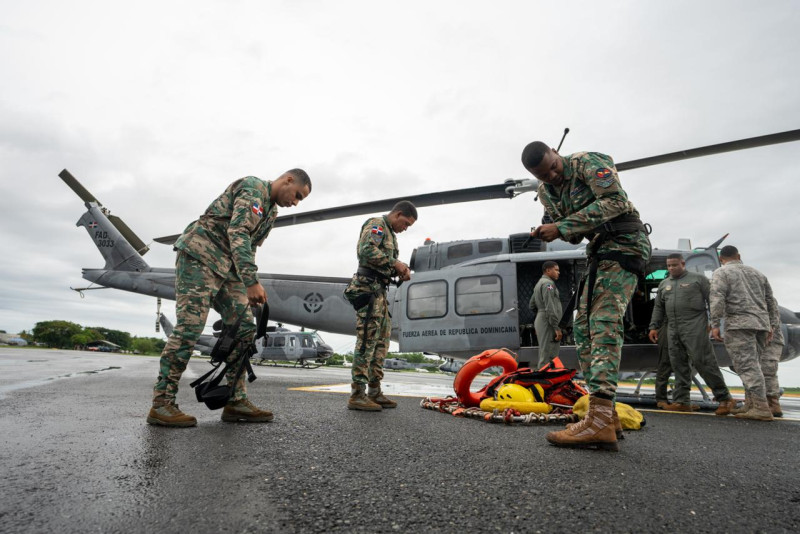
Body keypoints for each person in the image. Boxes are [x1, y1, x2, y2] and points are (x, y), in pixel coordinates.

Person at [147, 170, 312, 427]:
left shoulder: (271, 212)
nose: (296, 202)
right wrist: (251, 281)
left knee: (245, 328)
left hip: (228, 267)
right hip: (200, 255)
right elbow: (239, 233)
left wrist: (247, 283)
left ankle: (235, 401)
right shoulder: (253, 188)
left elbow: (251, 246)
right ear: (288, 180)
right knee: (190, 328)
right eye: (298, 195)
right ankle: (162, 404)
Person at [521, 141, 651, 451]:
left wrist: (563, 225)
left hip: (624, 244)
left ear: (556, 151)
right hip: (598, 250)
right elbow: (577, 235)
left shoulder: (588, 162)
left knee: (604, 322)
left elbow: (616, 202)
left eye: (554, 166)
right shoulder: (546, 192)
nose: (552, 175)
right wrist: (549, 229)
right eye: (544, 175)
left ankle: (601, 419)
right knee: (583, 329)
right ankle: (604, 416)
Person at [344, 201, 416, 411]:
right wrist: (395, 263)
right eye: (406, 223)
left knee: (381, 342)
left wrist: (399, 269)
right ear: (398, 214)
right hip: (368, 290)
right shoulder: (377, 225)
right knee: (367, 339)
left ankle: (374, 391)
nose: (405, 228)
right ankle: (357, 394)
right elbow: (365, 251)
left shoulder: (391, 234)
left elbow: (384, 261)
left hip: (380, 292)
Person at [648, 253, 736, 415]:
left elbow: (712, 301)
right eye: (669, 266)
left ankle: (724, 398)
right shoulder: (664, 284)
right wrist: (654, 326)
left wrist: (714, 323)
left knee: (703, 361)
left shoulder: (698, 279)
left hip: (694, 324)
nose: (671, 268)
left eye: (675, 265)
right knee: (678, 363)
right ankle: (682, 401)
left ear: (683, 264)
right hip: (673, 327)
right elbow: (658, 307)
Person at [709, 245, 779, 421]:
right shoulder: (757, 273)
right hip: (761, 324)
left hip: (739, 325)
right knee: (754, 364)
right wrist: (772, 326)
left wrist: (715, 324)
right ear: (738, 256)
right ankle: (751, 405)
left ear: (720, 258)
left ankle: (762, 408)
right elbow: (771, 301)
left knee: (747, 366)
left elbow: (717, 298)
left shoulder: (721, 272)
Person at [529, 261, 563, 368]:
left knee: (545, 352)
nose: (559, 272)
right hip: (548, 322)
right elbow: (550, 307)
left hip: (542, 319)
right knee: (549, 355)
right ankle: (544, 381)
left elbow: (532, 305)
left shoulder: (539, 283)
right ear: (548, 270)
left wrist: (540, 315)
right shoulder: (548, 285)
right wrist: (556, 327)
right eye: (556, 270)